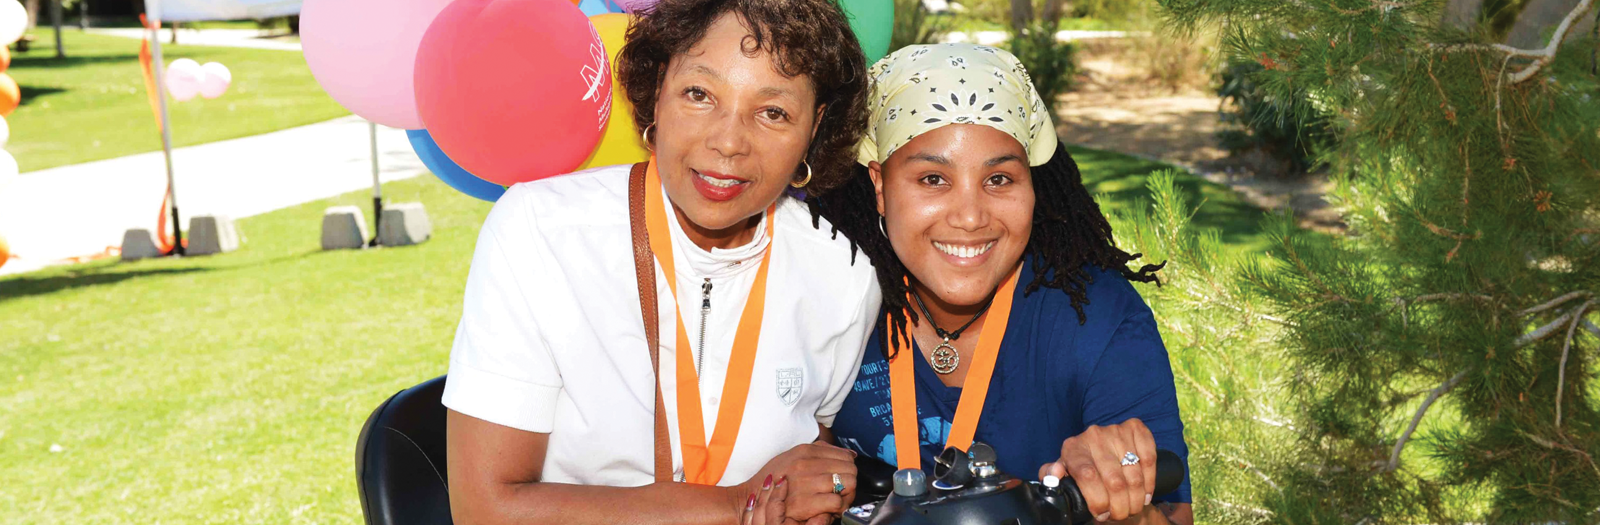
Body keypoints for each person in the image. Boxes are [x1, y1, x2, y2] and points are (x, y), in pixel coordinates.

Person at [440, 0, 880, 523]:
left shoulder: (842, 275)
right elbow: (485, 507)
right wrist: (733, 505)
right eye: (699, 94)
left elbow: (808, 472)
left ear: (815, 126)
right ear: (656, 93)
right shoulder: (543, 232)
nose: (728, 142)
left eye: (773, 112)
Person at [809, 44, 1194, 524]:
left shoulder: (1098, 321)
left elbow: (1172, 517)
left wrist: (1120, 494)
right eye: (932, 178)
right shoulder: (829, 300)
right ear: (882, 188)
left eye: (998, 180)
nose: (970, 217)